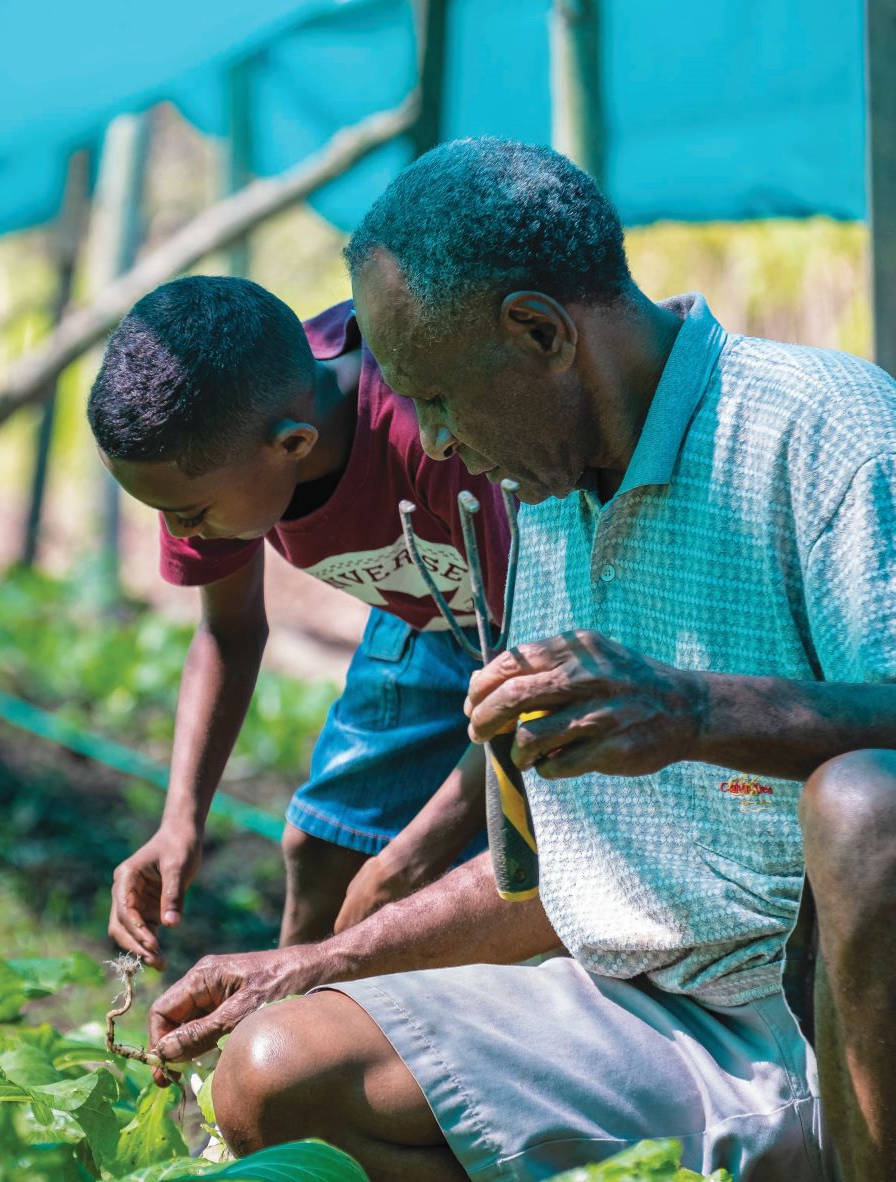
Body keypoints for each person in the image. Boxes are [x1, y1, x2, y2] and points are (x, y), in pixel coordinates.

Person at [140, 138, 896, 1182]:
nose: (437, 442)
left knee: (866, 805)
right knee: (277, 1071)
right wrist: (314, 963)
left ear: (541, 333)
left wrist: (691, 709)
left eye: (440, 399)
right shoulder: (540, 507)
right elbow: (540, 882)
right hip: (654, 1023)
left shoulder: (823, 428)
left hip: (848, 1028)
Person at [87, 275, 507, 962]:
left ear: (292, 444)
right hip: (429, 619)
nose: (178, 531)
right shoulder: (216, 435)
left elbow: (535, 675)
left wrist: (408, 861)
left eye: (188, 514)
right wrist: (180, 821)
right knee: (323, 847)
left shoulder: (436, 439)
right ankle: (281, 1041)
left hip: (561, 632)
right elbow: (227, 631)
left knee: (480, 880)